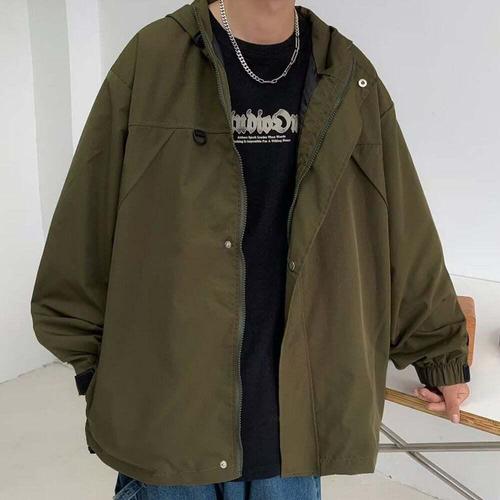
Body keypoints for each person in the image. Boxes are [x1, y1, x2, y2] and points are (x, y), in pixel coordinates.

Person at [30, 0, 471, 498]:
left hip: (292, 417)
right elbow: (86, 218)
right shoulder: (153, 60)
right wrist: (94, 365)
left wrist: (439, 353)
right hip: (170, 406)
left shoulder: (347, 74)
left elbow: (404, 226)